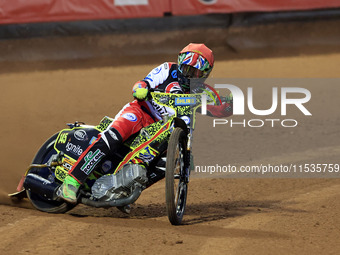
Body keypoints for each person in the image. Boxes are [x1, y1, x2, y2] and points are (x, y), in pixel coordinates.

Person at [59, 43, 233, 203]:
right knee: (114, 136)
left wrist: (229, 103)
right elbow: (143, 83)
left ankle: (122, 189)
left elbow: (223, 109)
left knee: (165, 164)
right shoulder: (166, 69)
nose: (189, 75)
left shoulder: (204, 92)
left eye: (195, 72)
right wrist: (141, 88)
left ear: (205, 74)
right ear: (179, 64)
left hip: (163, 131)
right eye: (186, 69)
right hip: (141, 112)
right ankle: (72, 181)